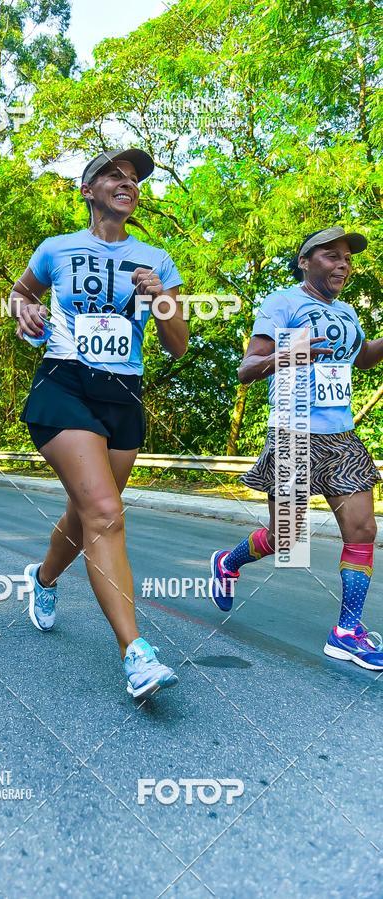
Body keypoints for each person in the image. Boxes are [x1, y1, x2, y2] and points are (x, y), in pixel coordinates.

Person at [10, 148, 189, 699]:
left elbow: (177, 346)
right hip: (63, 384)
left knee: (85, 512)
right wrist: (25, 311)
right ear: (88, 190)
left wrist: (162, 300)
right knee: (106, 512)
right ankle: (135, 653)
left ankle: (42, 579)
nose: (126, 182)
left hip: (122, 394)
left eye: (133, 179)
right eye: (114, 174)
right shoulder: (56, 249)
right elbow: (21, 294)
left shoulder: (155, 258)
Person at [210, 226, 383, 670]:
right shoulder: (282, 303)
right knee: (287, 538)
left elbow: (361, 358)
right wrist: (286, 356)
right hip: (292, 433)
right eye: (331, 255)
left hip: (340, 436)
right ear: (306, 262)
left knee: (363, 530)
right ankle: (229, 561)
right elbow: (247, 370)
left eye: (347, 257)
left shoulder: (347, 312)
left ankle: (347, 631)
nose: (343, 263)